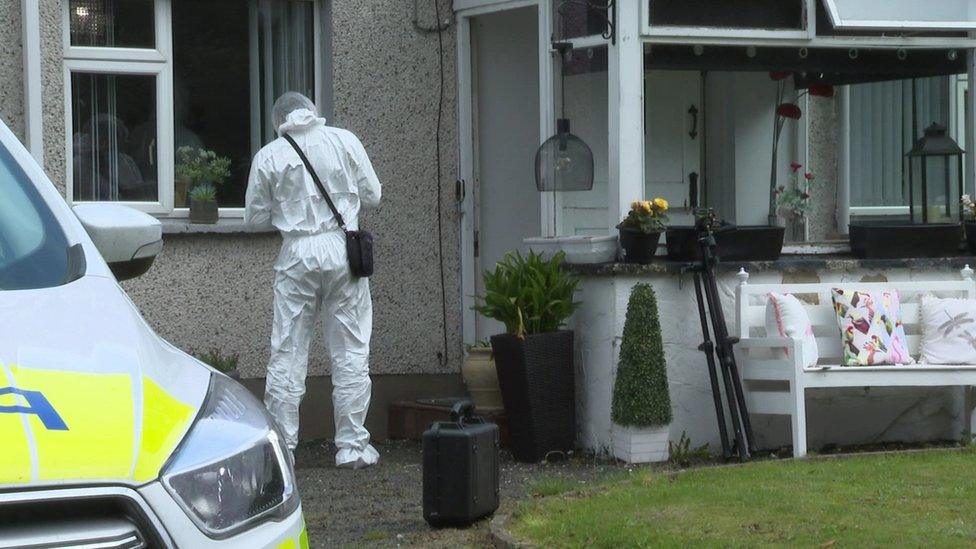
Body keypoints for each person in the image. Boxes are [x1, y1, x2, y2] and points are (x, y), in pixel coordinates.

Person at [245, 92, 381, 469]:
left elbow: (254, 219)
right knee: (351, 348)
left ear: (279, 120)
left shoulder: (269, 155)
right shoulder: (344, 140)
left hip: (296, 255)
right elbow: (373, 194)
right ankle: (352, 446)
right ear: (313, 111)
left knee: (287, 350)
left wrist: (287, 207)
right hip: (343, 251)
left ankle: (284, 449)